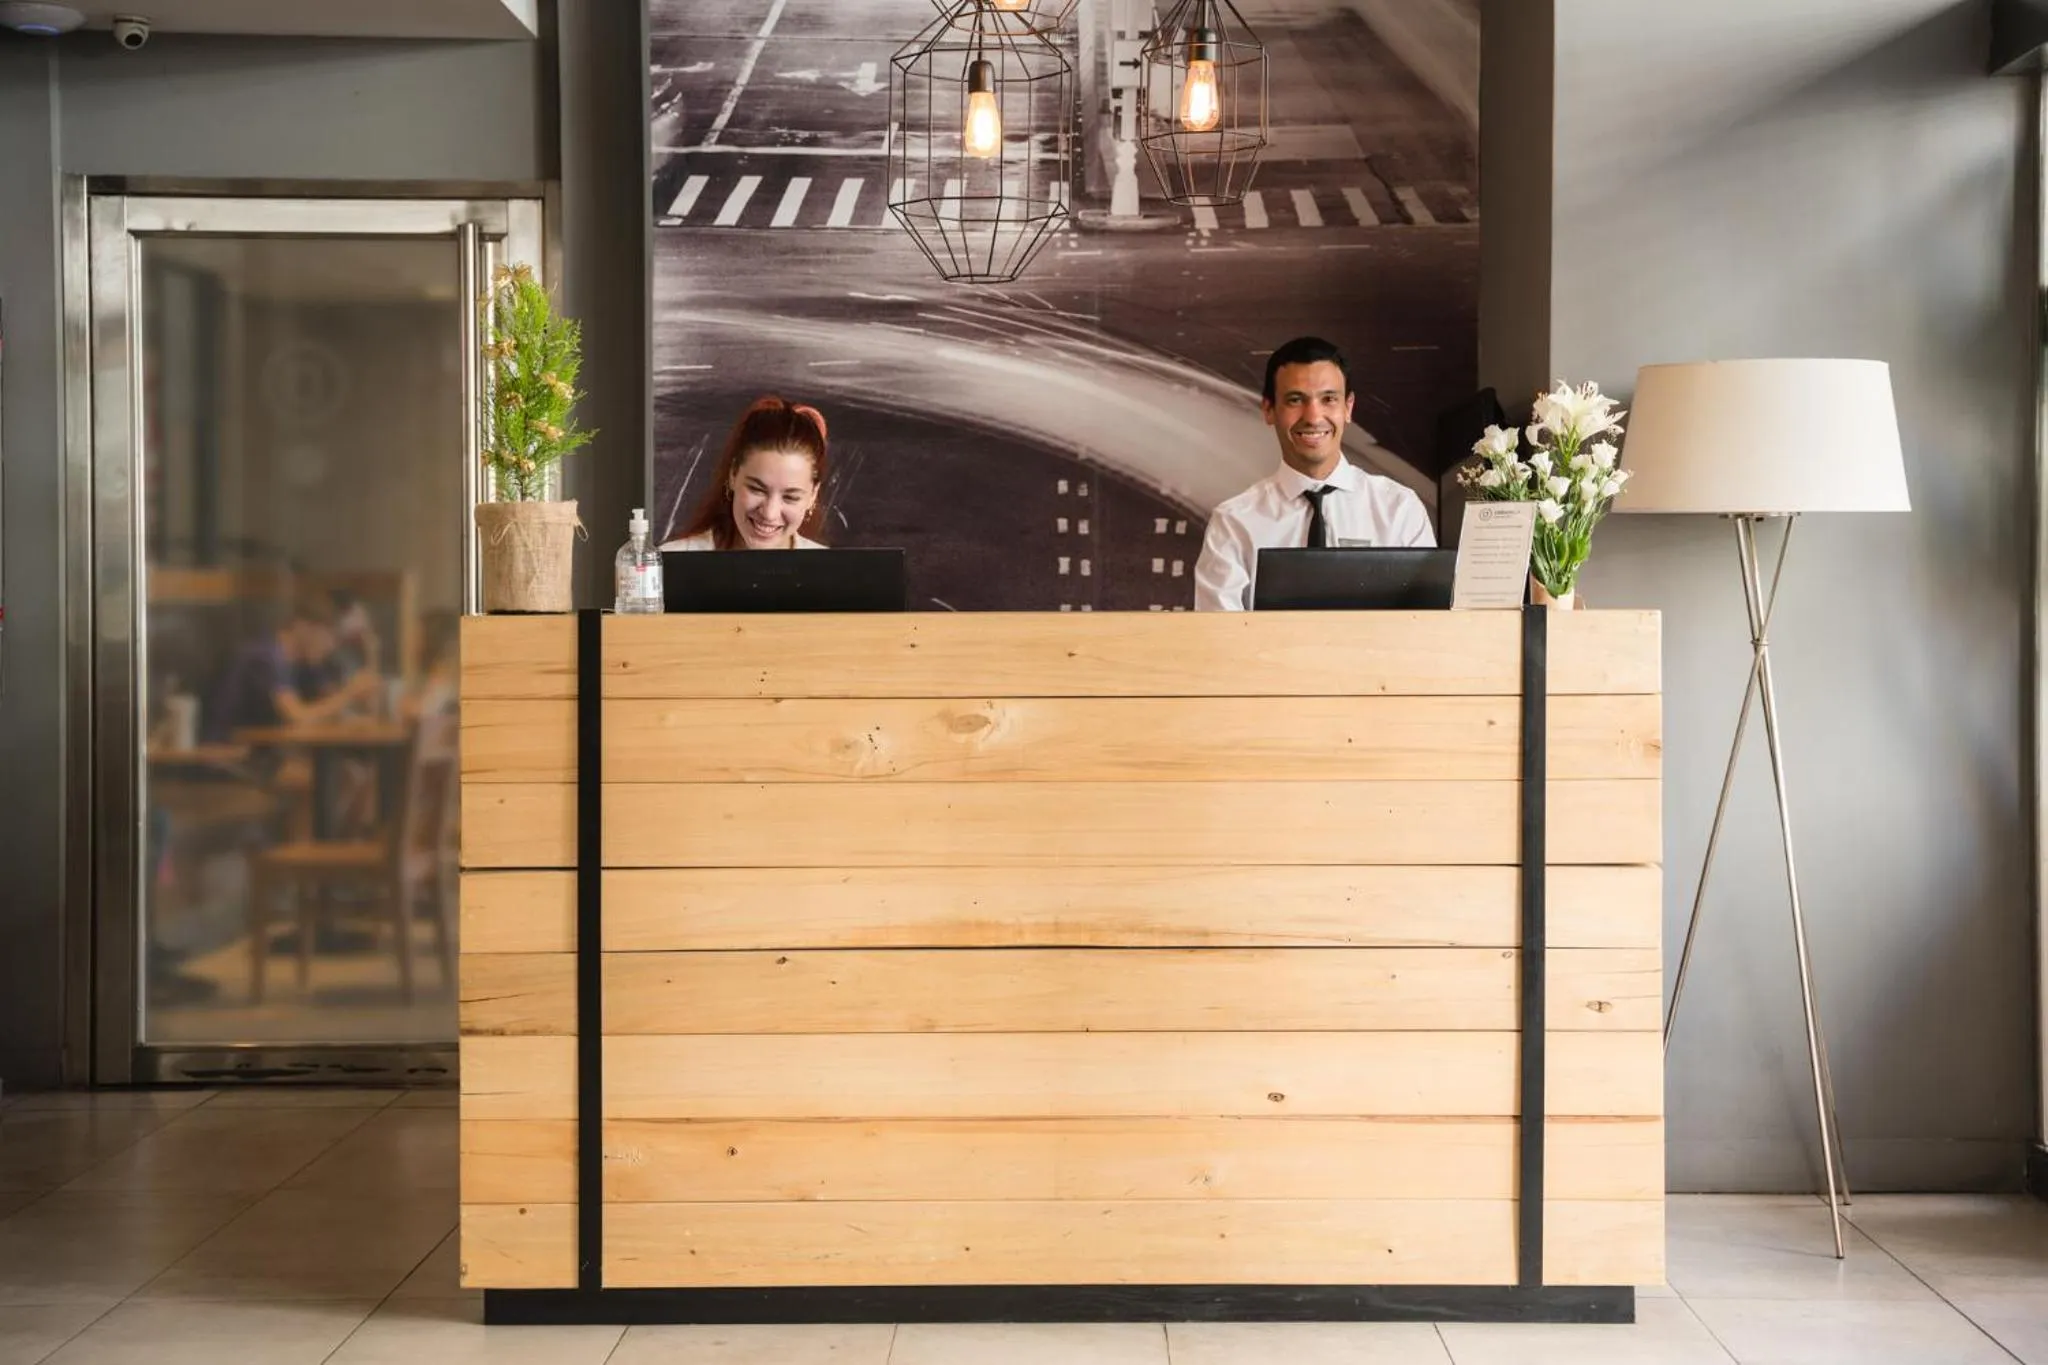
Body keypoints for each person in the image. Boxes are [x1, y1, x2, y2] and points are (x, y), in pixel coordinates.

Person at [1192, 336, 1434, 611]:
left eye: (1328, 399)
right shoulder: (1234, 523)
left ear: (1348, 408)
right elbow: (1218, 639)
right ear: (1269, 410)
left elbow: (1424, 630)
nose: (1313, 416)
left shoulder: (1399, 510)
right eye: (1296, 400)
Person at [202, 593, 379, 743]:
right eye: (327, 636)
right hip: (226, 755)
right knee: (336, 777)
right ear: (302, 626)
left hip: (261, 754)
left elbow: (324, 704)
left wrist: (357, 694)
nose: (330, 647)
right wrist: (348, 694)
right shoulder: (266, 657)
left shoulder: (298, 663)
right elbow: (296, 717)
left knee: (346, 773)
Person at [662, 396, 831, 551]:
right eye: (757, 489)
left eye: (790, 497)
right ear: (733, 474)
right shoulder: (667, 563)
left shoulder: (833, 576)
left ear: (813, 495)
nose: (769, 513)